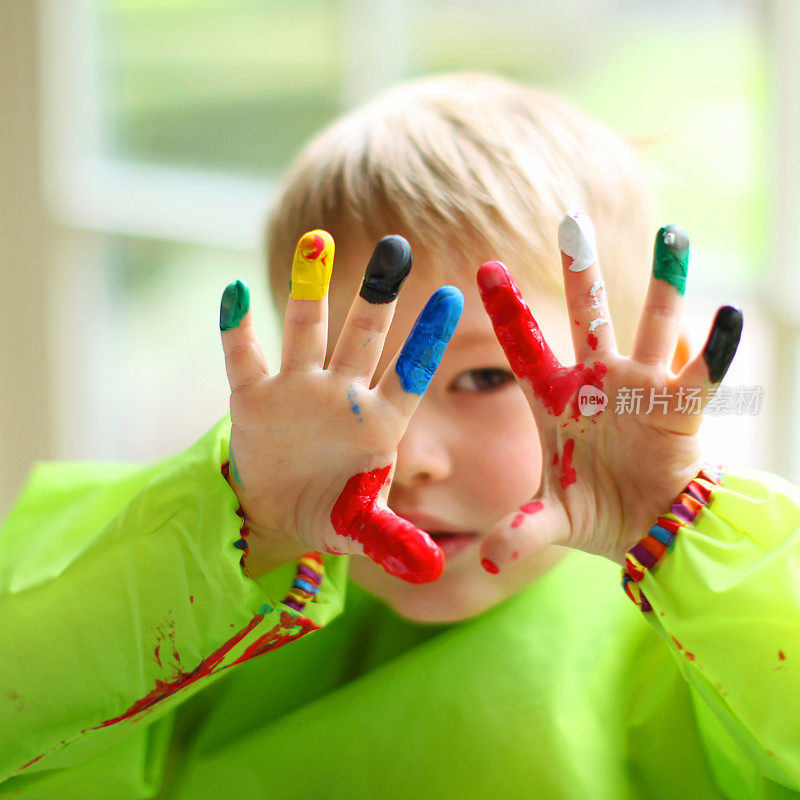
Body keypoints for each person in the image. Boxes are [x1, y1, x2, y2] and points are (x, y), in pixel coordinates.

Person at [1, 73, 798, 799]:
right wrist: (237, 528)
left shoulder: (697, 654)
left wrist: (686, 526)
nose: (408, 456)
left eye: (487, 378)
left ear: (638, 384)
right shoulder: (202, 584)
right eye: (360, 386)